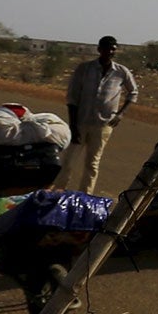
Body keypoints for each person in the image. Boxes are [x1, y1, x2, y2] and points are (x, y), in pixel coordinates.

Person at [62, 35, 138, 194]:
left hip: (103, 125)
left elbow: (133, 93)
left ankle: (85, 198)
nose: (110, 52)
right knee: (68, 162)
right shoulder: (84, 69)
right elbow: (72, 97)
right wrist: (73, 124)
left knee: (92, 164)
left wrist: (121, 114)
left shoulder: (121, 72)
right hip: (81, 123)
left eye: (113, 50)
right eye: (106, 49)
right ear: (99, 49)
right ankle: (56, 194)